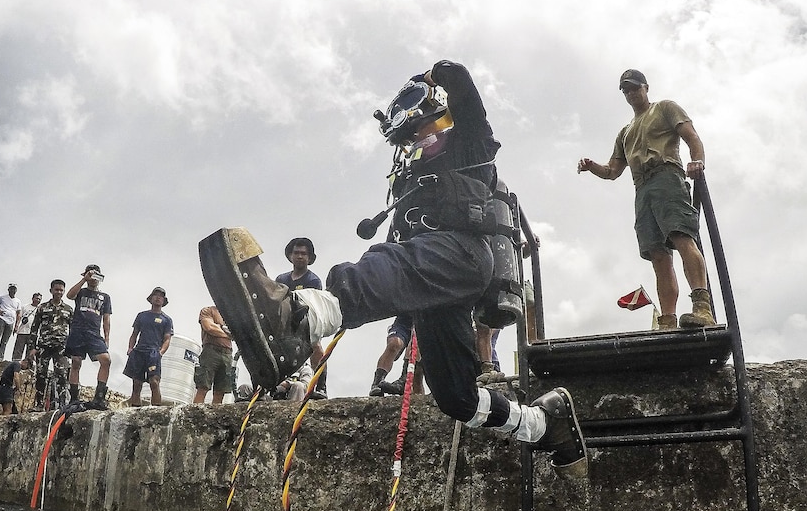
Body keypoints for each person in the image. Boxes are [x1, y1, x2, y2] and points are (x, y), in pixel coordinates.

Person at [199, 59, 588, 477]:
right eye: (412, 137)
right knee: (456, 398)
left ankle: (297, 317)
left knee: (382, 263)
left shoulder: (471, 143)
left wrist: (432, 75)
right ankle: (543, 425)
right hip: (437, 286)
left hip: (465, 255)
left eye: (426, 129)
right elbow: (397, 255)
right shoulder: (408, 182)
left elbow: (461, 83)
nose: (421, 141)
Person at [577, 69, 714, 330]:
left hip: (667, 176)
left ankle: (702, 307)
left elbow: (691, 137)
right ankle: (668, 320)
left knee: (682, 237)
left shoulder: (664, 108)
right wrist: (592, 166)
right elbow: (613, 171)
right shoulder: (625, 132)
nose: (630, 94)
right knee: (657, 254)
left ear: (645, 87)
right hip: (641, 187)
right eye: (625, 90)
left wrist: (697, 161)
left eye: (634, 88)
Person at [275, 237, 327, 398]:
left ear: (309, 257)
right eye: (296, 253)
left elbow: (314, 304)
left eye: (304, 254)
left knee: (316, 348)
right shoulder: (281, 280)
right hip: (285, 325)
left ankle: (320, 386)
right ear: (290, 256)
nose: (299, 256)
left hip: (306, 323)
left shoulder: (313, 280)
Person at [65, 265, 113, 410]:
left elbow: (106, 318)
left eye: (96, 276)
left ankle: (99, 397)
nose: (93, 279)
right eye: (91, 275)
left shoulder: (105, 297)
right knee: (76, 362)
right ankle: (73, 398)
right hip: (78, 330)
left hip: (94, 332)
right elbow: (69, 295)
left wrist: (107, 337)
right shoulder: (81, 291)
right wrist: (83, 279)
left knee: (106, 360)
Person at [124, 287, 174, 407]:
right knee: (137, 382)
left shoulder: (166, 320)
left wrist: (160, 352)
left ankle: (156, 410)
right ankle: (135, 409)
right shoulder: (142, 316)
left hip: (153, 352)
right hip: (139, 351)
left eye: (160, 296)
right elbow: (134, 334)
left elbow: (167, 339)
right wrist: (130, 348)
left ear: (163, 300)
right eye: (155, 295)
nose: (157, 298)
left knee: (154, 381)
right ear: (151, 298)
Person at [29, 279, 75, 411]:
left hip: (61, 347)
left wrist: (72, 349)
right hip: (43, 346)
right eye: (56, 289)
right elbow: (34, 328)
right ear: (51, 291)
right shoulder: (42, 308)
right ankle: (38, 405)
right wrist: (32, 348)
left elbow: (73, 330)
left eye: (61, 290)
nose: (59, 292)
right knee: (40, 375)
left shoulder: (68, 309)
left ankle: (62, 405)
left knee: (61, 375)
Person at [369, 314, 424, 396]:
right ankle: (377, 383)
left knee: (414, 345)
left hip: (426, 318)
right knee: (394, 344)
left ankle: (405, 380)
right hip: (405, 318)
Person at [194, 305, 233, 404]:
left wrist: (220, 328)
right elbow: (209, 327)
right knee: (203, 386)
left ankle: (215, 417)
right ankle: (195, 416)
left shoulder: (231, 315)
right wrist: (229, 334)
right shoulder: (208, 311)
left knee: (221, 390)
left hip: (227, 353)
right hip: (211, 350)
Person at [0, 283, 22, 361]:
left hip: (11, 321)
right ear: (8, 289)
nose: (12, 290)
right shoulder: (3, 297)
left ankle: (1, 357)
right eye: (11, 289)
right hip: (2, 319)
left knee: (5, 341)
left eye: (14, 289)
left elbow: (18, 313)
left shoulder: (18, 301)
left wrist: (16, 325)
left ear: (16, 290)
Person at [12, 292, 42, 360]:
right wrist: (16, 326)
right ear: (33, 298)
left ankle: (27, 367)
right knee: (18, 350)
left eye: (40, 299)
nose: (38, 300)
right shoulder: (25, 306)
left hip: (33, 333)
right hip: (22, 331)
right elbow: (19, 317)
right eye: (37, 298)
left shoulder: (40, 309)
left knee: (30, 352)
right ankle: (15, 363)